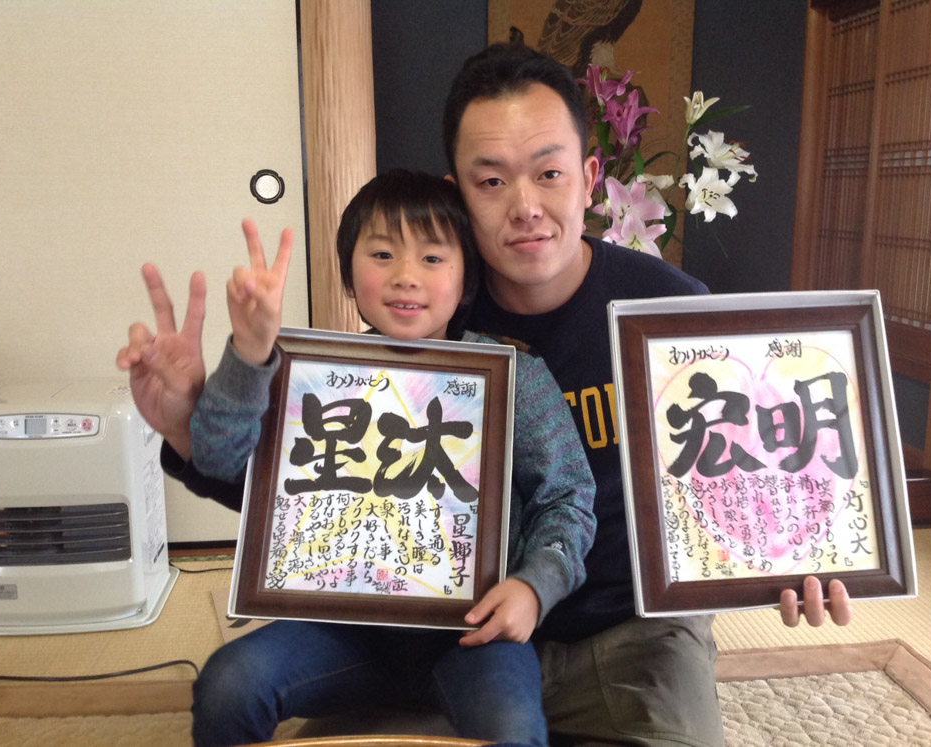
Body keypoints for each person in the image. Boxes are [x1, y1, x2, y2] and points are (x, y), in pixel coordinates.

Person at [440, 42, 853, 746]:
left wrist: (802, 550)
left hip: (636, 627)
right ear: (457, 194)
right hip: (470, 633)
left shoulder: (675, 312)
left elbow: (757, 468)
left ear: (589, 179)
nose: (526, 206)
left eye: (549, 173)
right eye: (492, 182)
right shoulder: (434, 321)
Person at [117, 169, 597, 747]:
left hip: (473, 633)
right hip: (341, 628)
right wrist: (249, 354)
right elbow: (221, 461)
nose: (405, 276)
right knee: (228, 685)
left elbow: (568, 497)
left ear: (467, 275)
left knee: (514, 728)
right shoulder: (316, 374)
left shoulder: (514, 374)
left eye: (433, 258)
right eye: (382, 254)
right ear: (348, 275)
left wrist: (535, 586)